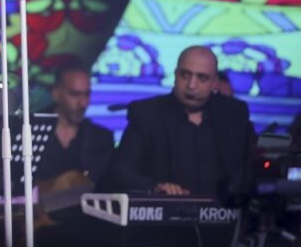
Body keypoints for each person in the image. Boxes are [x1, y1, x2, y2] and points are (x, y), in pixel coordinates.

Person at [107, 46, 255, 198]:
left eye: (202, 78)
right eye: (185, 75)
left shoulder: (233, 114)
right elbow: (120, 172)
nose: (191, 85)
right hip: (167, 211)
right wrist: (156, 188)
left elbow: (251, 171)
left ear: (214, 83)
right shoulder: (148, 114)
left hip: (224, 211)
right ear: (175, 75)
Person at [40, 65, 114, 184]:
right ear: (56, 93)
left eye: (87, 94)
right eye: (74, 94)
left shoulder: (101, 137)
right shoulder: (30, 132)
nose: (83, 104)